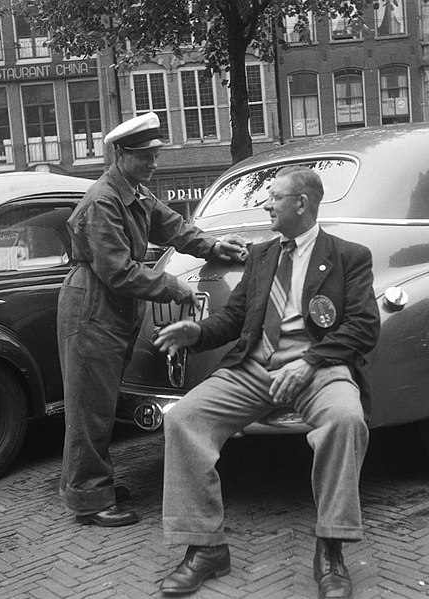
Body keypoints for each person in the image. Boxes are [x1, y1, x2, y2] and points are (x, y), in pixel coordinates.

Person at [154, 166, 380, 598]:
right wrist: (196, 334)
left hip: (320, 369)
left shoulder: (349, 256)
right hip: (256, 367)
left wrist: (311, 360)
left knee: (346, 420)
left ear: (302, 204)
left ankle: (330, 548)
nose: (266, 204)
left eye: (274, 197)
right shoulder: (261, 256)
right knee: (183, 418)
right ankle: (205, 549)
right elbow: (234, 318)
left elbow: (365, 327)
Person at [58, 111, 246, 527]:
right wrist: (174, 287)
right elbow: (118, 271)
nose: (153, 164)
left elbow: (175, 227)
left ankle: (95, 484)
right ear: (121, 154)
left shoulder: (135, 191)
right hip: (92, 304)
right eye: (145, 156)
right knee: (89, 403)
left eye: (155, 155)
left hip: (111, 306)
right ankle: (89, 499)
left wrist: (215, 247)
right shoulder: (104, 199)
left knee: (102, 401)